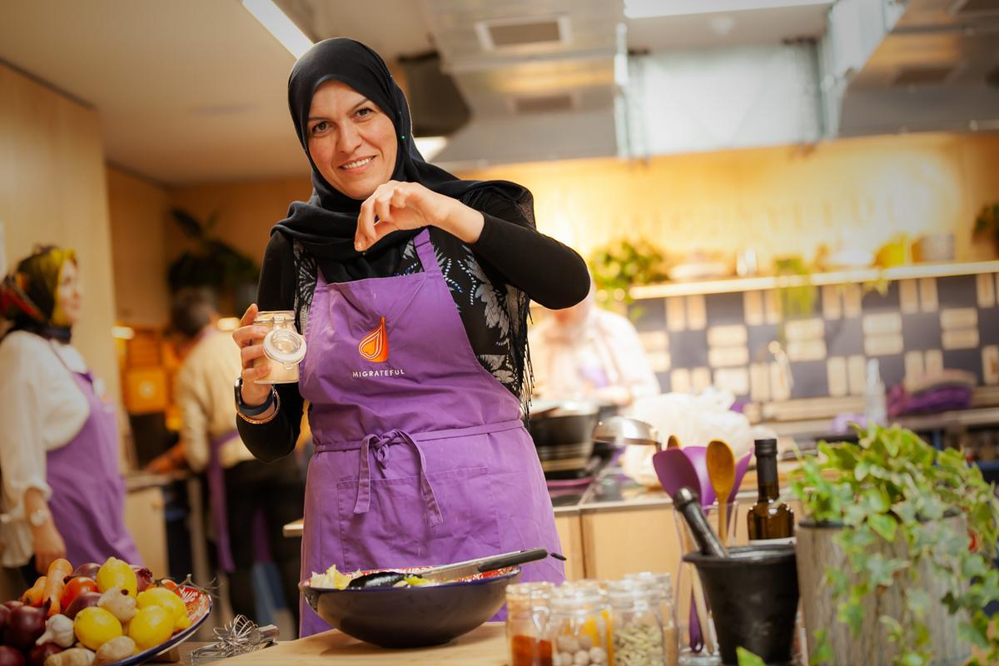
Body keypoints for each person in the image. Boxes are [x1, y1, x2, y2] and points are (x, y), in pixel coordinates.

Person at [231, 38, 590, 636]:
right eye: (322, 125)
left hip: (489, 515)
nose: (347, 143)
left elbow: (569, 282)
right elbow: (271, 442)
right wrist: (253, 390)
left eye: (363, 113)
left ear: (396, 114)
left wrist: (441, 210)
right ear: (305, 139)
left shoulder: (476, 210)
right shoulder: (292, 248)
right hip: (353, 533)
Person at [146, 289, 304, 631]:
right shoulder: (244, 341)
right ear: (212, 318)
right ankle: (306, 631)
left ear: (179, 333)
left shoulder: (190, 368)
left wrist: (197, 464)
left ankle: (252, 645)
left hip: (237, 471)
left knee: (239, 562)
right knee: (291, 553)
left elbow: (196, 451)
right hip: (278, 452)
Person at [0, 246, 140, 583]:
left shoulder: (63, 351)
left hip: (103, 519)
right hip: (64, 526)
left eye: (77, 281)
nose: (78, 292)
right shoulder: (20, 349)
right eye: (65, 283)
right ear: (40, 291)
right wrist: (40, 525)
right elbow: (17, 445)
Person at [529, 283, 660, 407]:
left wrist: (623, 395)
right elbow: (531, 398)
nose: (561, 309)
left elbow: (648, 390)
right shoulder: (538, 339)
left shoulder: (614, 328)